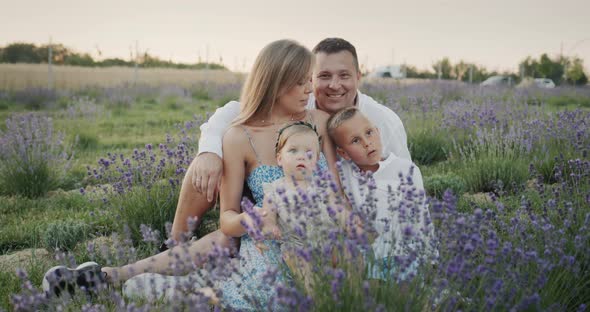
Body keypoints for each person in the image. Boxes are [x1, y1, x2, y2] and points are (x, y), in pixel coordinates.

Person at [43, 39, 338, 309]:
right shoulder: (240, 136)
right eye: (300, 83)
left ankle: (120, 278)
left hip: (320, 241)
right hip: (264, 243)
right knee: (220, 243)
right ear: (275, 82)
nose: (310, 90)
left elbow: (345, 178)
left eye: (308, 80)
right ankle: (111, 276)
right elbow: (229, 218)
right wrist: (251, 220)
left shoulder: (318, 123)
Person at [170, 37, 410, 251]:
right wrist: (209, 150)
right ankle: (173, 244)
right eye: (322, 76)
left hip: (331, 221)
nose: (333, 85)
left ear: (359, 76)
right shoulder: (301, 104)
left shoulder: (382, 122)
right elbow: (235, 112)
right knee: (207, 170)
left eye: (344, 75)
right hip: (270, 216)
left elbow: (404, 185)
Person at [326, 107, 437, 281]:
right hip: (368, 257)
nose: (367, 143)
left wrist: (429, 258)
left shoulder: (406, 169)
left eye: (369, 133)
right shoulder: (346, 173)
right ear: (343, 153)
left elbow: (421, 215)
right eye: (355, 140)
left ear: (378, 131)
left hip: (403, 254)